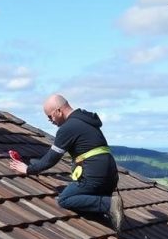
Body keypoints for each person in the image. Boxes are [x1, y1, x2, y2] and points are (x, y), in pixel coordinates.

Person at [9, 94, 124, 231]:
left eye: (50, 116)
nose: (50, 121)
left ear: (58, 111)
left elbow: (51, 159)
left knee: (65, 199)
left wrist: (28, 169)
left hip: (95, 177)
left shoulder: (68, 128)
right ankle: (105, 208)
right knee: (87, 206)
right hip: (110, 176)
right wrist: (32, 162)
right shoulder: (85, 121)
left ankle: (109, 204)